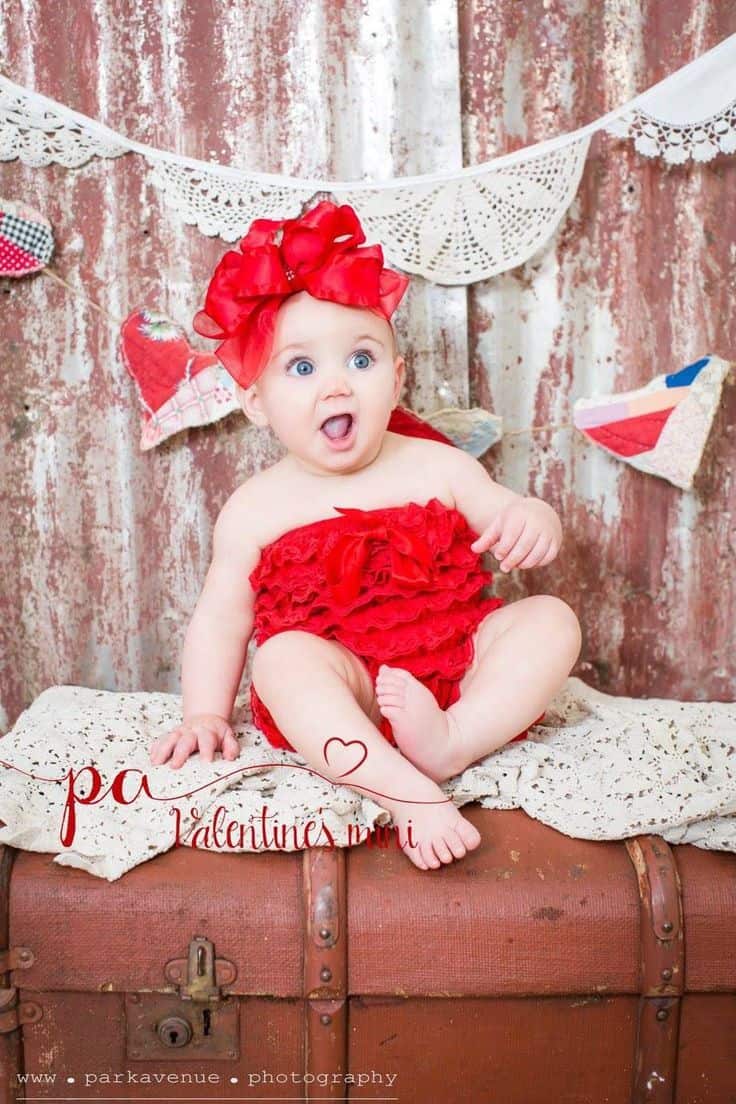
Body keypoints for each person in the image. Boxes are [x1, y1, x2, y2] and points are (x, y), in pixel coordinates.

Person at [149, 200, 582, 871]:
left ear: (398, 377)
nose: (335, 387)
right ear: (256, 403)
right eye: (301, 368)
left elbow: (508, 511)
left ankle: (453, 741)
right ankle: (405, 792)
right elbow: (219, 621)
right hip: (344, 691)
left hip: (458, 671)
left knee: (550, 619)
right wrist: (204, 712)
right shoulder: (256, 508)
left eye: (360, 358)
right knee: (281, 659)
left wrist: (534, 520)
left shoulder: (437, 465)